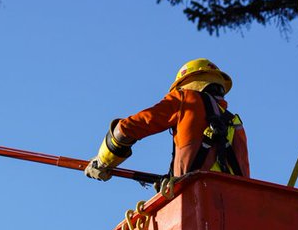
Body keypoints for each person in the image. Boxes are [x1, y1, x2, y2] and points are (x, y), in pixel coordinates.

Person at [84, 58, 250, 181]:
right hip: (235, 204)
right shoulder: (236, 123)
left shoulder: (186, 99)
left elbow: (126, 129)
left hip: (195, 197)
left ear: (184, 84)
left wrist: (103, 161)